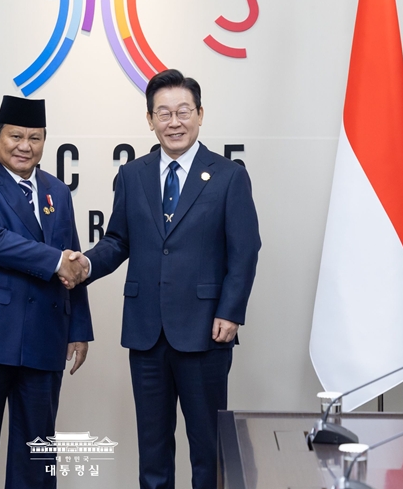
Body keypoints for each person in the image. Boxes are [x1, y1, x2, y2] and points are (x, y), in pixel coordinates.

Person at [69, 69, 261, 489]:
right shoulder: (134, 175)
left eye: (183, 112)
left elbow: (245, 251)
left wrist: (231, 312)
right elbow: (119, 240)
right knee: (152, 449)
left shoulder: (229, 176)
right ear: (149, 119)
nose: (174, 122)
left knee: (207, 448)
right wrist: (85, 265)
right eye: (164, 113)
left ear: (200, 114)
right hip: (146, 331)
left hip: (206, 331)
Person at [0, 95, 93, 489]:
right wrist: (58, 261)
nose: (25, 146)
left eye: (36, 137)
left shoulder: (57, 192)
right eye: (15, 136)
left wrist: (78, 327)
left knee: (37, 458)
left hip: (44, 337)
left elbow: (72, 257)